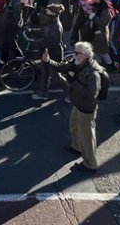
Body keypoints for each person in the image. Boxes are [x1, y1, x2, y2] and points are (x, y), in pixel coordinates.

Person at [41, 41, 105, 173]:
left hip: (86, 108)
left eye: (76, 52)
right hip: (78, 104)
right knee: (74, 125)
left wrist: (73, 81)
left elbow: (91, 94)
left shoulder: (93, 73)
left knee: (87, 137)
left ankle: (90, 164)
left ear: (86, 56)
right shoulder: (77, 63)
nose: (73, 54)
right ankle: (76, 147)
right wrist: (48, 61)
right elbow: (61, 67)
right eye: (74, 51)